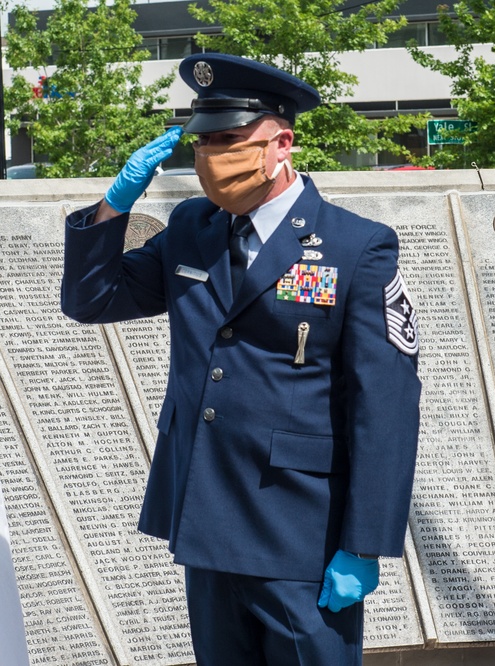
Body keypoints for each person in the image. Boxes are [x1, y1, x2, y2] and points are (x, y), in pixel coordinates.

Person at [61, 53, 421, 665]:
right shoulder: (193, 226)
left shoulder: (354, 246)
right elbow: (93, 301)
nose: (211, 156)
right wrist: (112, 209)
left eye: (229, 139)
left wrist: (366, 542)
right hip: (205, 514)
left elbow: (384, 403)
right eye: (202, 141)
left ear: (282, 143)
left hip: (300, 531)